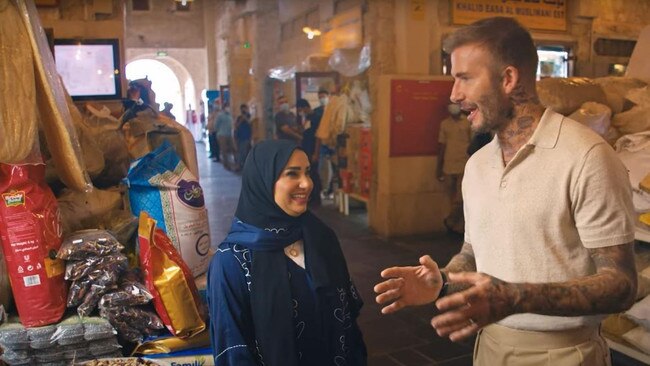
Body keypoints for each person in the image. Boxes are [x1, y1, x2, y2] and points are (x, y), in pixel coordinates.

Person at [374, 16, 636, 366]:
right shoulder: (478, 164)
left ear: (508, 79)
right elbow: (473, 250)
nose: (454, 94)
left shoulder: (587, 156)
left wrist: (516, 297)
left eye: (465, 78)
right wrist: (443, 280)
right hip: (491, 345)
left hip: (564, 353)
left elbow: (620, 284)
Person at [207, 140, 367, 366]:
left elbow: (348, 321)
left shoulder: (321, 237)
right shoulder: (232, 260)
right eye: (292, 174)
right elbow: (233, 348)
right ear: (263, 180)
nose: (307, 183)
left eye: (308, 172)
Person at [436, 103, 471, 234]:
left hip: (464, 164)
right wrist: (438, 167)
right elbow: (442, 145)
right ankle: (456, 227)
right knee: (451, 199)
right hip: (449, 165)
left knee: (461, 199)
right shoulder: (445, 124)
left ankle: (450, 221)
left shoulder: (468, 122)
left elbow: (472, 142)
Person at [296, 98, 322, 206]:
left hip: (312, 149)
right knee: (308, 173)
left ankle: (316, 198)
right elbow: (305, 131)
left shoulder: (316, 118)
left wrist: (316, 152)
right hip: (306, 148)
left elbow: (318, 137)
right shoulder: (307, 118)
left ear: (305, 107)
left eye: (301, 109)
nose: (300, 112)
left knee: (313, 174)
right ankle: (311, 197)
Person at [216, 104, 235, 170]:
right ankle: (226, 164)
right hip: (222, 135)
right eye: (227, 107)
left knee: (231, 149)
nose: (228, 108)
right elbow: (216, 125)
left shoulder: (229, 115)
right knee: (224, 150)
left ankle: (232, 163)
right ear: (224, 108)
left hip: (229, 134)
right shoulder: (220, 116)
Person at [234, 104, 252, 170]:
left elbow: (250, 124)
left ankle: (241, 165)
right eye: (242, 109)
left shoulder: (249, 116)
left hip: (246, 137)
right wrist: (241, 120)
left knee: (244, 152)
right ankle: (239, 165)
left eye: (245, 108)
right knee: (240, 151)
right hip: (239, 137)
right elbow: (236, 126)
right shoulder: (239, 117)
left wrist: (245, 118)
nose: (244, 110)